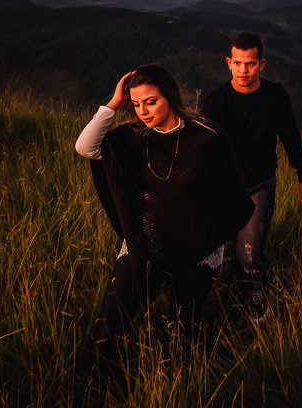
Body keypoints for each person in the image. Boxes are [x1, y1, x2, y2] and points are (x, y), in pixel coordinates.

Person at [75, 63, 254, 394]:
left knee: (185, 329)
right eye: (136, 104)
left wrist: (211, 238)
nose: (143, 111)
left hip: (198, 247)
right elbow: (85, 148)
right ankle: (99, 388)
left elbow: (231, 193)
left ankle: (180, 389)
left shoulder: (206, 138)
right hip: (145, 240)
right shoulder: (132, 137)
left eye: (151, 102)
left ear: (170, 97)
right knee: (109, 321)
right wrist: (113, 104)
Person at [200, 32, 302, 323]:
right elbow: (209, 145)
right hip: (223, 190)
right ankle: (231, 307)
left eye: (250, 63)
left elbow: (290, 135)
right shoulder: (215, 101)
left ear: (261, 64)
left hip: (259, 185)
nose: (243, 70)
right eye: (237, 63)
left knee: (250, 257)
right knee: (225, 259)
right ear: (228, 62)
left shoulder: (275, 96)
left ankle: (258, 308)